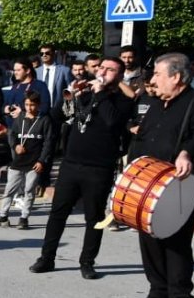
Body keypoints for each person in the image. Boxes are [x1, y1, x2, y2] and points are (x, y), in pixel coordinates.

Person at [127, 53, 194, 298]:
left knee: (175, 242)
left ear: (176, 77)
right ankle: (159, 291)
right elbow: (143, 137)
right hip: (149, 181)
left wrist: (186, 152)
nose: (153, 80)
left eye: (157, 74)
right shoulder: (157, 104)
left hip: (181, 183)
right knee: (148, 235)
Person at [29, 57, 135, 278]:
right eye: (101, 67)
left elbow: (112, 122)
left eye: (110, 70)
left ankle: (87, 262)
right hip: (71, 163)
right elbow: (60, 116)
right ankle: (46, 257)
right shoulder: (84, 94)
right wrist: (70, 95)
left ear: (120, 75)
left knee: (94, 218)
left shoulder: (122, 101)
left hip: (99, 167)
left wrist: (100, 93)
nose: (103, 72)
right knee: (58, 213)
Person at [0, 91, 53, 229]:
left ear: (39, 105)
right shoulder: (20, 117)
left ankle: (24, 217)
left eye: (33, 105)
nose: (29, 108)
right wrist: (15, 145)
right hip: (18, 161)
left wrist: (42, 161)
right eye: (27, 104)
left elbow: (48, 142)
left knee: (29, 191)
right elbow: (12, 134)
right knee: (9, 189)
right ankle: (3, 215)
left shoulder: (44, 120)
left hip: (34, 162)